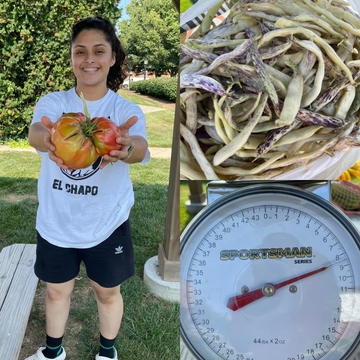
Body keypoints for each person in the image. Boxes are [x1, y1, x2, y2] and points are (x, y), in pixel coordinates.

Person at [26, 16, 149, 360]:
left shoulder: (123, 109)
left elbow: (139, 147)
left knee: (107, 293)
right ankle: (53, 353)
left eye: (99, 50)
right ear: (71, 58)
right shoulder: (54, 102)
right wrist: (48, 138)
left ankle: (107, 353)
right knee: (55, 292)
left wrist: (126, 148)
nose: (89, 59)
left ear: (112, 58)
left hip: (106, 224)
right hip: (57, 222)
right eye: (80, 51)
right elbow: (37, 131)